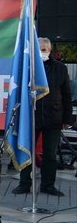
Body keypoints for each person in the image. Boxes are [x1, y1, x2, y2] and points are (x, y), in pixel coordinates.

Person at [14, 37, 73, 196]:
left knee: (50, 155)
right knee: (27, 150)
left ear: (50, 50)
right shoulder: (27, 67)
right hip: (30, 117)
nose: (41, 53)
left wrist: (67, 119)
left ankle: (48, 185)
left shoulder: (60, 68)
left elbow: (67, 94)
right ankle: (24, 184)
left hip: (53, 117)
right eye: (38, 50)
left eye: (44, 50)